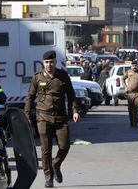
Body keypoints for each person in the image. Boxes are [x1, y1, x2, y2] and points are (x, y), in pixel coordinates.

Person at [24, 50, 80, 188]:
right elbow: (30, 97)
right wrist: (27, 115)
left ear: (55, 62)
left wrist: (75, 110)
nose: (49, 64)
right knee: (46, 149)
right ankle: (48, 178)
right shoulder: (37, 77)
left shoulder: (62, 76)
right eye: (46, 62)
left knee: (65, 145)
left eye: (51, 62)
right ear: (43, 63)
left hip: (60, 117)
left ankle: (56, 164)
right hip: (43, 116)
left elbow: (71, 94)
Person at [122, 60, 138, 128]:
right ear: (131, 66)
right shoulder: (129, 72)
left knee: (136, 109)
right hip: (130, 94)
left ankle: (135, 123)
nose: (134, 67)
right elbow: (122, 79)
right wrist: (125, 87)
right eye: (133, 65)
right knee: (130, 109)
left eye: (136, 65)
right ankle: (131, 122)